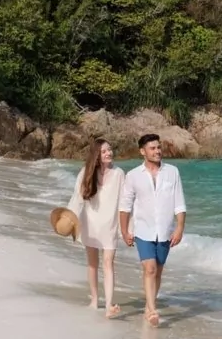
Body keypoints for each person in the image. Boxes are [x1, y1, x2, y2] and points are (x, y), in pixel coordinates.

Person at [118, 133, 186, 327]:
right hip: (143, 230)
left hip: (165, 230)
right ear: (143, 151)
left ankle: (149, 308)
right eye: (152, 148)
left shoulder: (172, 172)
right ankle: (152, 309)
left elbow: (179, 203)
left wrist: (179, 228)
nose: (157, 151)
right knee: (150, 269)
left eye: (158, 147)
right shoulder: (133, 176)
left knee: (158, 271)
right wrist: (124, 231)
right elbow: (125, 206)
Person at [67, 138, 125, 318]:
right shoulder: (86, 172)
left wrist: (127, 227)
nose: (109, 153)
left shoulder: (119, 174)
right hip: (90, 222)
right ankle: (94, 300)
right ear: (96, 155)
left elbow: (125, 203)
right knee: (92, 263)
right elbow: (77, 198)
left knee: (108, 263)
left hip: (110, 224)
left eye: (110, 149)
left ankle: (108, 305)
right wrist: (69, 220)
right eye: (104, 151)